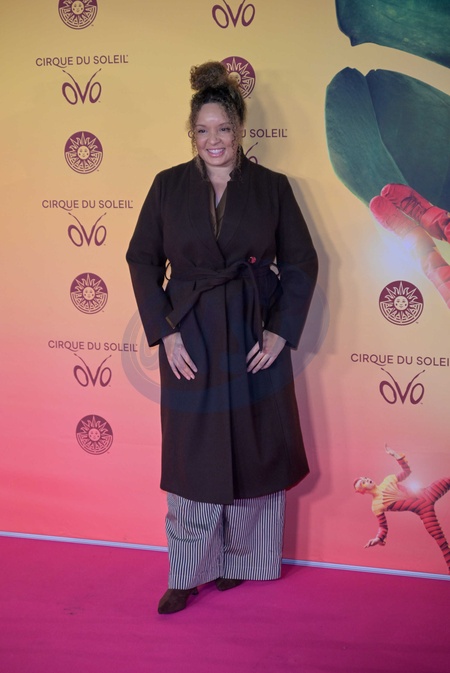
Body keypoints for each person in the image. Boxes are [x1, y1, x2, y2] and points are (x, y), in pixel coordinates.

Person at [126, 61, 318, 614]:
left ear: (240, 130)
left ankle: (242, 562)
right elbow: (142, 260)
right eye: (203, 130)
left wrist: (280, 331)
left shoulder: (272, 188)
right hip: (191, 336)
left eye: (224, 129)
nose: (214, 140)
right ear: (192, 133)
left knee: (256, 448)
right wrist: (166, 334)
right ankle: (187, 572)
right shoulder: (167, 186)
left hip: (254, 334)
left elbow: (302, 262)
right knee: (193, 456)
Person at [354, 444, 450, 573]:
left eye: (365, 478)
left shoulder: (388, 480)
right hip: (424, 511)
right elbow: (383, 526)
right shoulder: (376, 506)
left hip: (428, 492)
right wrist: (378, 538)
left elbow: (406, 472)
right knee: (441, 541)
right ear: (363, 491)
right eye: (363, 482)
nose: (367, 480)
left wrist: (396, 456)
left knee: (447, 480)